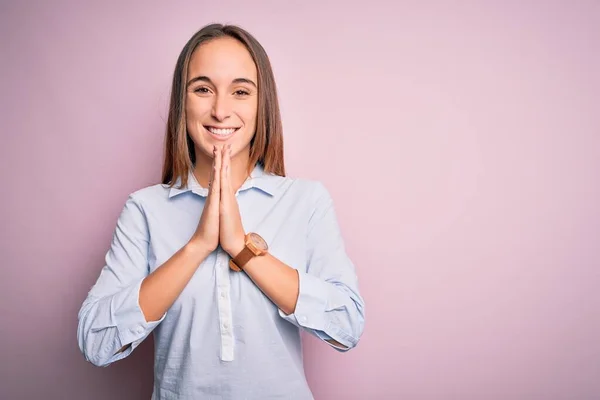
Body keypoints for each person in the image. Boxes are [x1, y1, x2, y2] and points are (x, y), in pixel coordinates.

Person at [77, 23, 365, 399]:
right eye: (202, 89)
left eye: (240, 91)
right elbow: (95, 341)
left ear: (262, 105)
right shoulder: (144, 209)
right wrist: (197, 245)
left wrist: (240, 248)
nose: (220, 110)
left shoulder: (306, 201)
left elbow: (347, 325)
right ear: (184, 102)